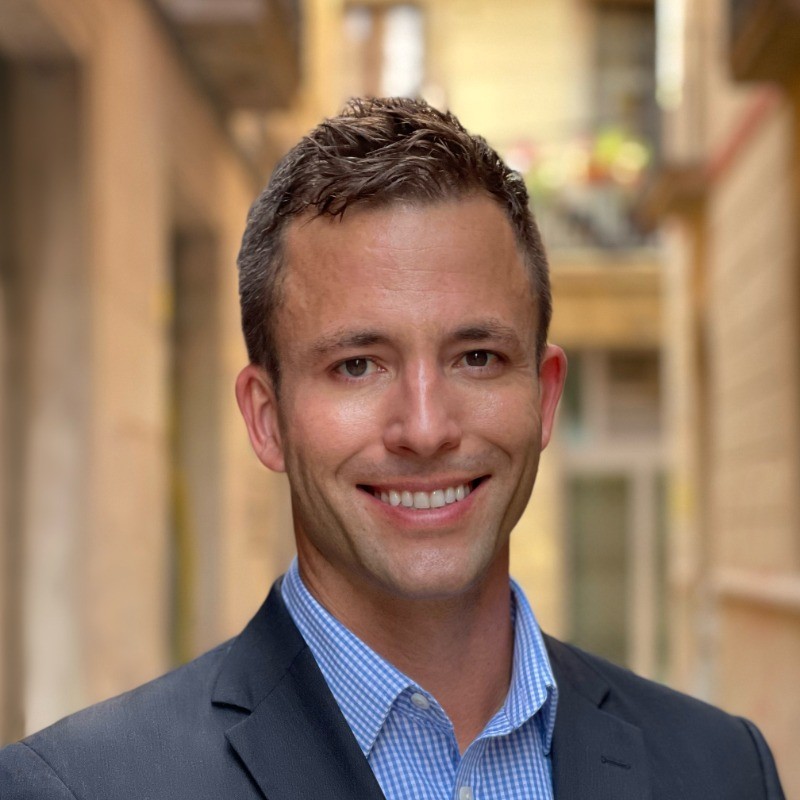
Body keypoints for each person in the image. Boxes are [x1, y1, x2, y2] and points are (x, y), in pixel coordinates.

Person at [0, 97, 785, 800]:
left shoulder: (725, 771)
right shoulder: (76, 788)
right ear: (267, 419)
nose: (426, 427)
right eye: (358, 365)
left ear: (545, 396)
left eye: (476, 357)